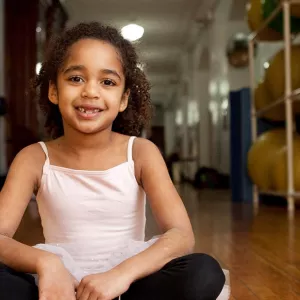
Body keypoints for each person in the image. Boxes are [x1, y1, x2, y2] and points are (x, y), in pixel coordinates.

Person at [0, 22, 226, 300]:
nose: (90, 92)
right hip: (60, 286)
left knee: (204, 272)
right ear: (53, 91)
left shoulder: (141, 152)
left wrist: (121, 275)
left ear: (123, 99)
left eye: (107, 82)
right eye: (75, 78)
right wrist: (46, 263)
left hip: (128, 285)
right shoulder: (34, 158)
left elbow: (181, 235)